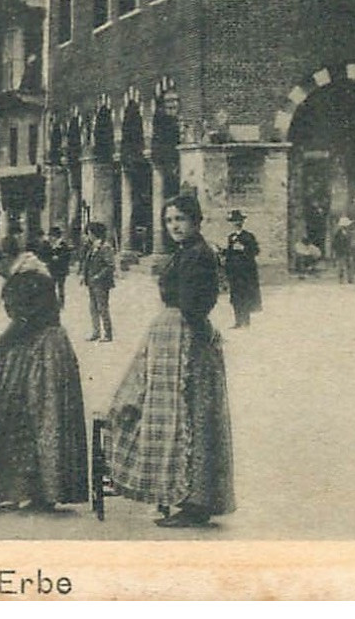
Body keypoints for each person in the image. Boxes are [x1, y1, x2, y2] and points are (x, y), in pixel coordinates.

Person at [107, 192, 236, 528]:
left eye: (180, 219)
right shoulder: (187, 253)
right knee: (181, 416)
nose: (174, 226)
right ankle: (184, 495)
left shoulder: (198, 255)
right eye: (169, 220)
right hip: (175, 337)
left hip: (185, 343)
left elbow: (197, 305)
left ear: (195, 220)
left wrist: (193, 336)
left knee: (190, 416)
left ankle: (196, 501)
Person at [0, 245, 88, 511]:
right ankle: (42, 492)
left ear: (6, 259)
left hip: (39, 349)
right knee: (48, 417)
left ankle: (10, 492)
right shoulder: (37, 273)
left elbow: (24, 322)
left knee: (13, 411)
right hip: (53, 348)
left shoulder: (23, 280)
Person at [221, 210, 262, 327]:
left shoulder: (248, 236)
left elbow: (256, 251)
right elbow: (229, 253)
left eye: (238, 221)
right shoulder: (231, 237)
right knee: (235, 295)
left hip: (246, 271)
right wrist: (222, 251)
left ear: (242, 222)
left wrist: (244, 248)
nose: (236, 223)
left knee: (245, 294)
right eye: (234, 221)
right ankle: (238, 321)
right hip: (234, 271)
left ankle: (246, 321)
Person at [78, 222, 116, 342]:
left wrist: (98, 276)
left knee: (102, 307)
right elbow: (87, 263)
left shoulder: (105, 247)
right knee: (93, 307)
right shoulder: (92, 247)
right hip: (91, 282)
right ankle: (96, 332)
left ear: (94, 234)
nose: (88, 235)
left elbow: (110, 266)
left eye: (89, 233)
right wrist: (83, 276)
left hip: (101, 283)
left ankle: (108, 333)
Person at [37, 224, 73, 306]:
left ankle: (61, 303)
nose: (51, 238)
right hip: (51, 269)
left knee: (60, 287)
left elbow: (67, 257)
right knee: (51, 286)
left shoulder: (63, 245)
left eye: (52, 236)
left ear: (56, 236)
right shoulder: (48, 245)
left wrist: (59, 258)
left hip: (61, 270)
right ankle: (52, 302)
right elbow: (44, 255)